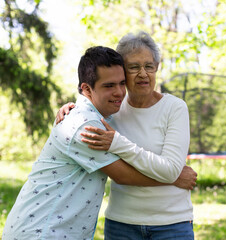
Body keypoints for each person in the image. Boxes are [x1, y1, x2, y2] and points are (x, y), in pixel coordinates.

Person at [2, 46, 196, 240]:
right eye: (109, 86)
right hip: (42, 230)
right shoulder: (85, 126)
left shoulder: (100, 116)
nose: (120, 92)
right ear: (86, 89)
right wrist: (174, 176)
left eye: (121, 83)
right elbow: (123, 176)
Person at [56, 31, 195, 240]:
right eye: (133, 67)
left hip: (171, 224)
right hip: (122, 224)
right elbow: (86, 111)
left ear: (156, 68)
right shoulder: (112, 109)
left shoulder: (174, 108)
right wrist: (69, 109)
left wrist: (118, 143)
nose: (143, 73)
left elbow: (170, 169)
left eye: (149, 66)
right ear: (122, 72)